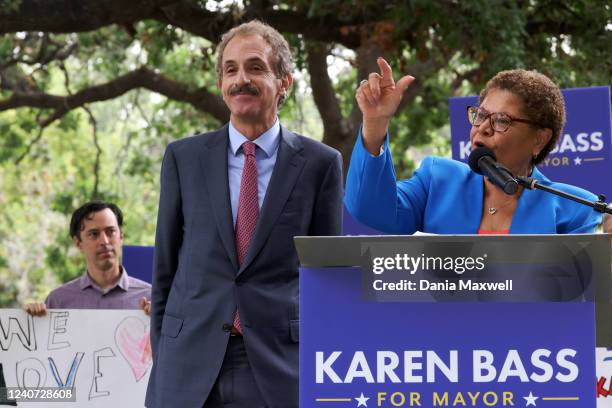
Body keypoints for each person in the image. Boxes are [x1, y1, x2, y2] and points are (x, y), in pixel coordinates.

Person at [145, 20, 343, 408]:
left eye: (255, 67)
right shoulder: (183, 159)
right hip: (187, 368)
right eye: (230, 69)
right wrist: (166, 354)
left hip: (279, 367)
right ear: (221, 83)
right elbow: (164, 271)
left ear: (284, 81)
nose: (241, 80)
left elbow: (325, 280)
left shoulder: (321, 164)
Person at [345, 58, 602, 234]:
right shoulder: (437, 180)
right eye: (480, 115)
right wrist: (375, 123)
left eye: (502, 120)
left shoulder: (578, 208)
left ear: (540, 139)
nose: (483, 127)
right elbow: (370, 209)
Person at [24, 201, 151, 316]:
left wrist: (162, 322)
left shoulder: (150, 298)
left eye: (110, 231)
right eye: (94, 234)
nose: (104, 241)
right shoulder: (58, 301)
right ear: (78, 243)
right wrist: (30, 319)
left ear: (121, 236)